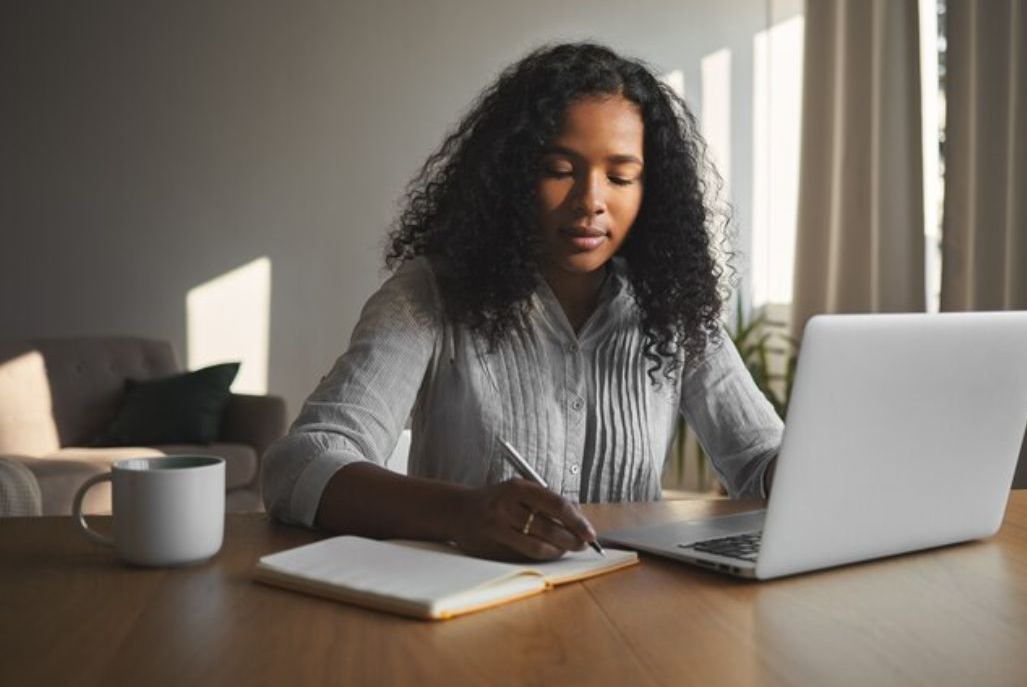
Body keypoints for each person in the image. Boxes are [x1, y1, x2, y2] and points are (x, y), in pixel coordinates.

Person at [261, 42, 783, 562]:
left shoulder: (672, 309)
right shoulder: (430, 296)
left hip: (626, 610)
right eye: (559, 169)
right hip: (466, 608)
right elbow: (300, 463)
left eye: (620, 177)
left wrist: (797, 474)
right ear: (511, 176)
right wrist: (460, 513)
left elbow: (762, 458)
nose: (590, 200)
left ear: (652, 190)